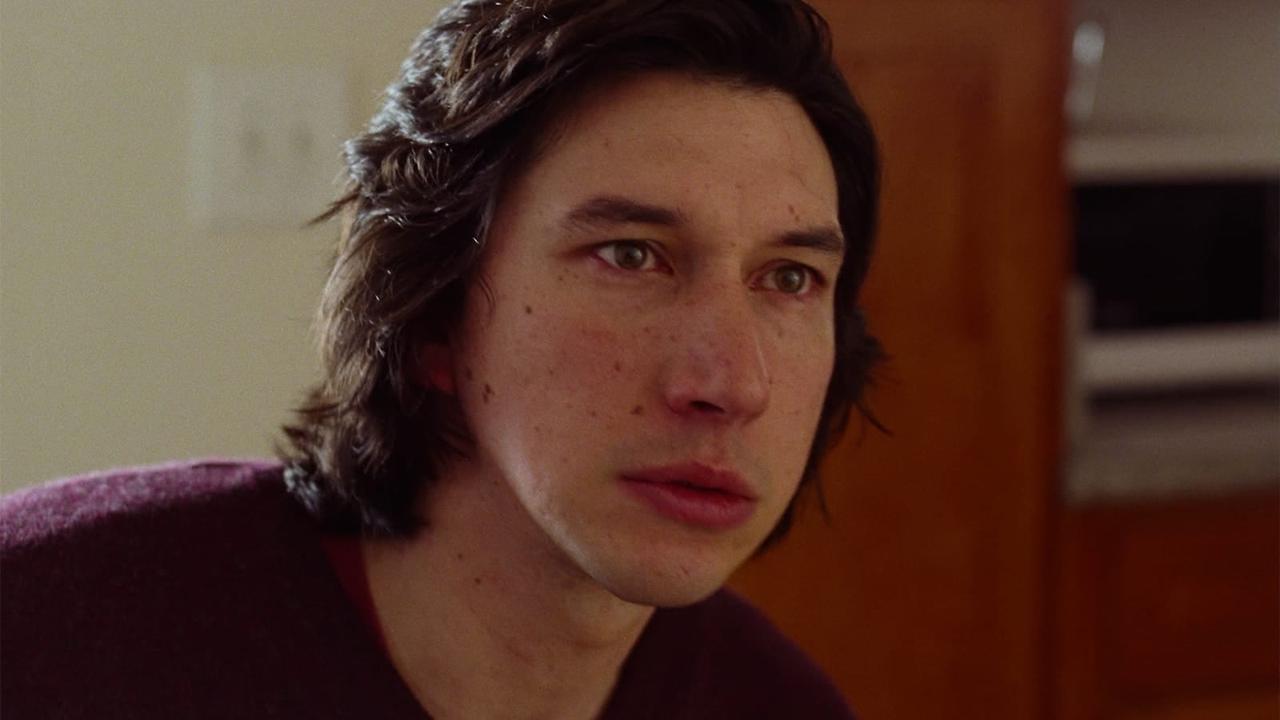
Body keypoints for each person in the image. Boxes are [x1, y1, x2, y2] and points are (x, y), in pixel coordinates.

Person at [1, 0, 882, 717]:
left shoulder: (777, 703)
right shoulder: (51, 628)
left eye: (790, 278)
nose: (733, 383)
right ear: (431, 310)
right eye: (630, 255)